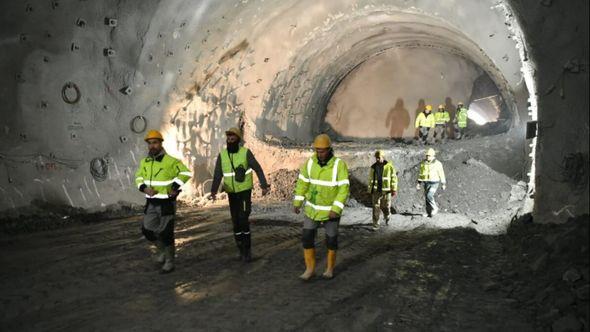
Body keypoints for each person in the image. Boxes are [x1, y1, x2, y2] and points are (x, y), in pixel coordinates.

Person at [134, 130, 192, 273]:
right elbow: (138, 177)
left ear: (160, 143)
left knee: (166, 233)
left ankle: (170, 261)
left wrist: (174, 187)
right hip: (151, 202)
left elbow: (185, 173)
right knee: (147, 230)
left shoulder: (171, 161)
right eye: (149, 143)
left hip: (166, 203)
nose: (152, 146)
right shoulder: (145, 162)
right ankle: (161, 251)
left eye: (155, 143)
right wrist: (144, 188)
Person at [293, 134, 349, 280]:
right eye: (317, 150)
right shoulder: (310, 163)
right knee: (307, 238)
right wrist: (298, 202)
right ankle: (310, 269)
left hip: (331, 212)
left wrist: (336, 209)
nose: (319, 154)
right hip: (312, 210)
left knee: (331, 241)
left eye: (322, 151)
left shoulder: (338, 165)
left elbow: (344, 189)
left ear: (329, 150)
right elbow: (302, 183)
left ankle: (329, 269)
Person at [210, 127, 270, 262]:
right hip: (231, 193)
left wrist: (264, 185)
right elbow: (218, 174)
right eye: (228, 137)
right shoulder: (223, 155)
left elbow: (258, 168)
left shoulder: (245, 153)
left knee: (243, 220)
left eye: (233, 137)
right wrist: (213, 191)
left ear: (238, 139)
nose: (230, 139)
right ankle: (240, 250)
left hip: (244, 192)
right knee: (236, 223)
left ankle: (247, 251)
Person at [368, 150, 398, 229]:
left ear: (383, 157)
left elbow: (394, 178)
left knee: (386, 207)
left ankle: (387, 216)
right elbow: (371, 179)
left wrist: (394, 189)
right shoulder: (373, 167)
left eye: (379, 157)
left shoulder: (389, 166)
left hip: (386, 191)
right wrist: (370, 189)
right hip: (376, 191)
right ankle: (376, 224)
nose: (377, 159)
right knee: (375, 207)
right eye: (376, 158)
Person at [416, 148, 446, 218]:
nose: (427, 157)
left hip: (434, 182)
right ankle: (429, 213)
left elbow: (441, 173)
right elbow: (421, 173)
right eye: (427, 155)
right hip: (426, 182)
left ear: (433, 156)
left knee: (429, 195)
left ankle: (435, 208)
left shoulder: (438, 163)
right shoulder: (423, 163)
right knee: (427, 198)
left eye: (429, 156)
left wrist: (443, 183)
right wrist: (418, 183)